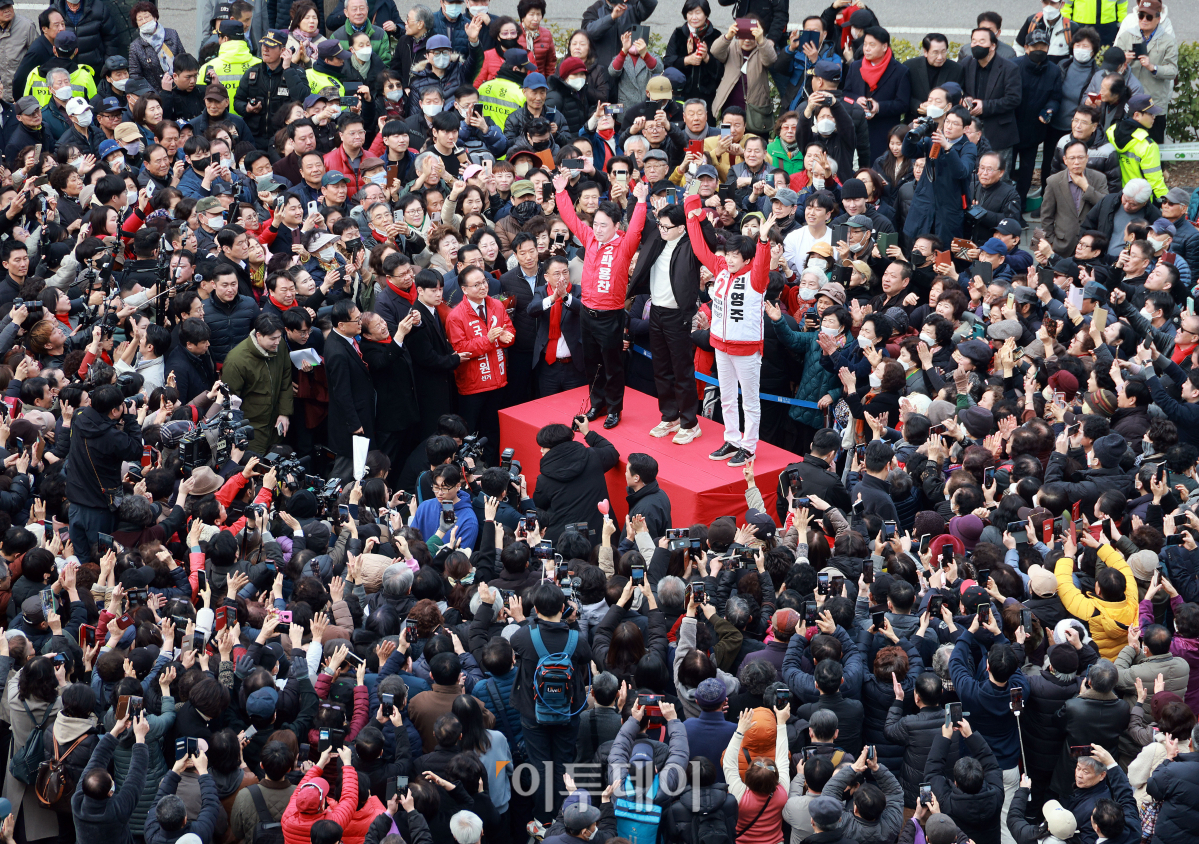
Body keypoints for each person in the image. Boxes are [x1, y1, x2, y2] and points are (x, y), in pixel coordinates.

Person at [552, 171, 648, 429]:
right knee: (592, 363)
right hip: (587, 312)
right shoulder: (589, 238)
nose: (598, 229)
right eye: (595, 224)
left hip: (610, 315)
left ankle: (614, 408)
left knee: (612, 365)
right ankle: (598, 403)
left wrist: (640, 202)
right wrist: (561, 192)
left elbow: (637, 227)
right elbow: (571, 220)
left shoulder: (625, 245)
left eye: (604, 225)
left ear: (616, 226)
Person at [219, 312, 294, 456]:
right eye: (273, 338)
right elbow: (229, 402)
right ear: (259, 335)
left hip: (275, 426)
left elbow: (285, 380)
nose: (277, 342)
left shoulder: (280, 347)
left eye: (279, 337)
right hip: (251, 428)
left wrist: (284, 413)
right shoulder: (236, 360)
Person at [323, 298, 377, 481]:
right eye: (356, 320)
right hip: (351, 424)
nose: (360, 322)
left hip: (360, 413)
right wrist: (354, 423)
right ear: (341, 325)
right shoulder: (337, 352)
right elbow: (342, 393)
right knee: (346, 469)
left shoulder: (345, 340)